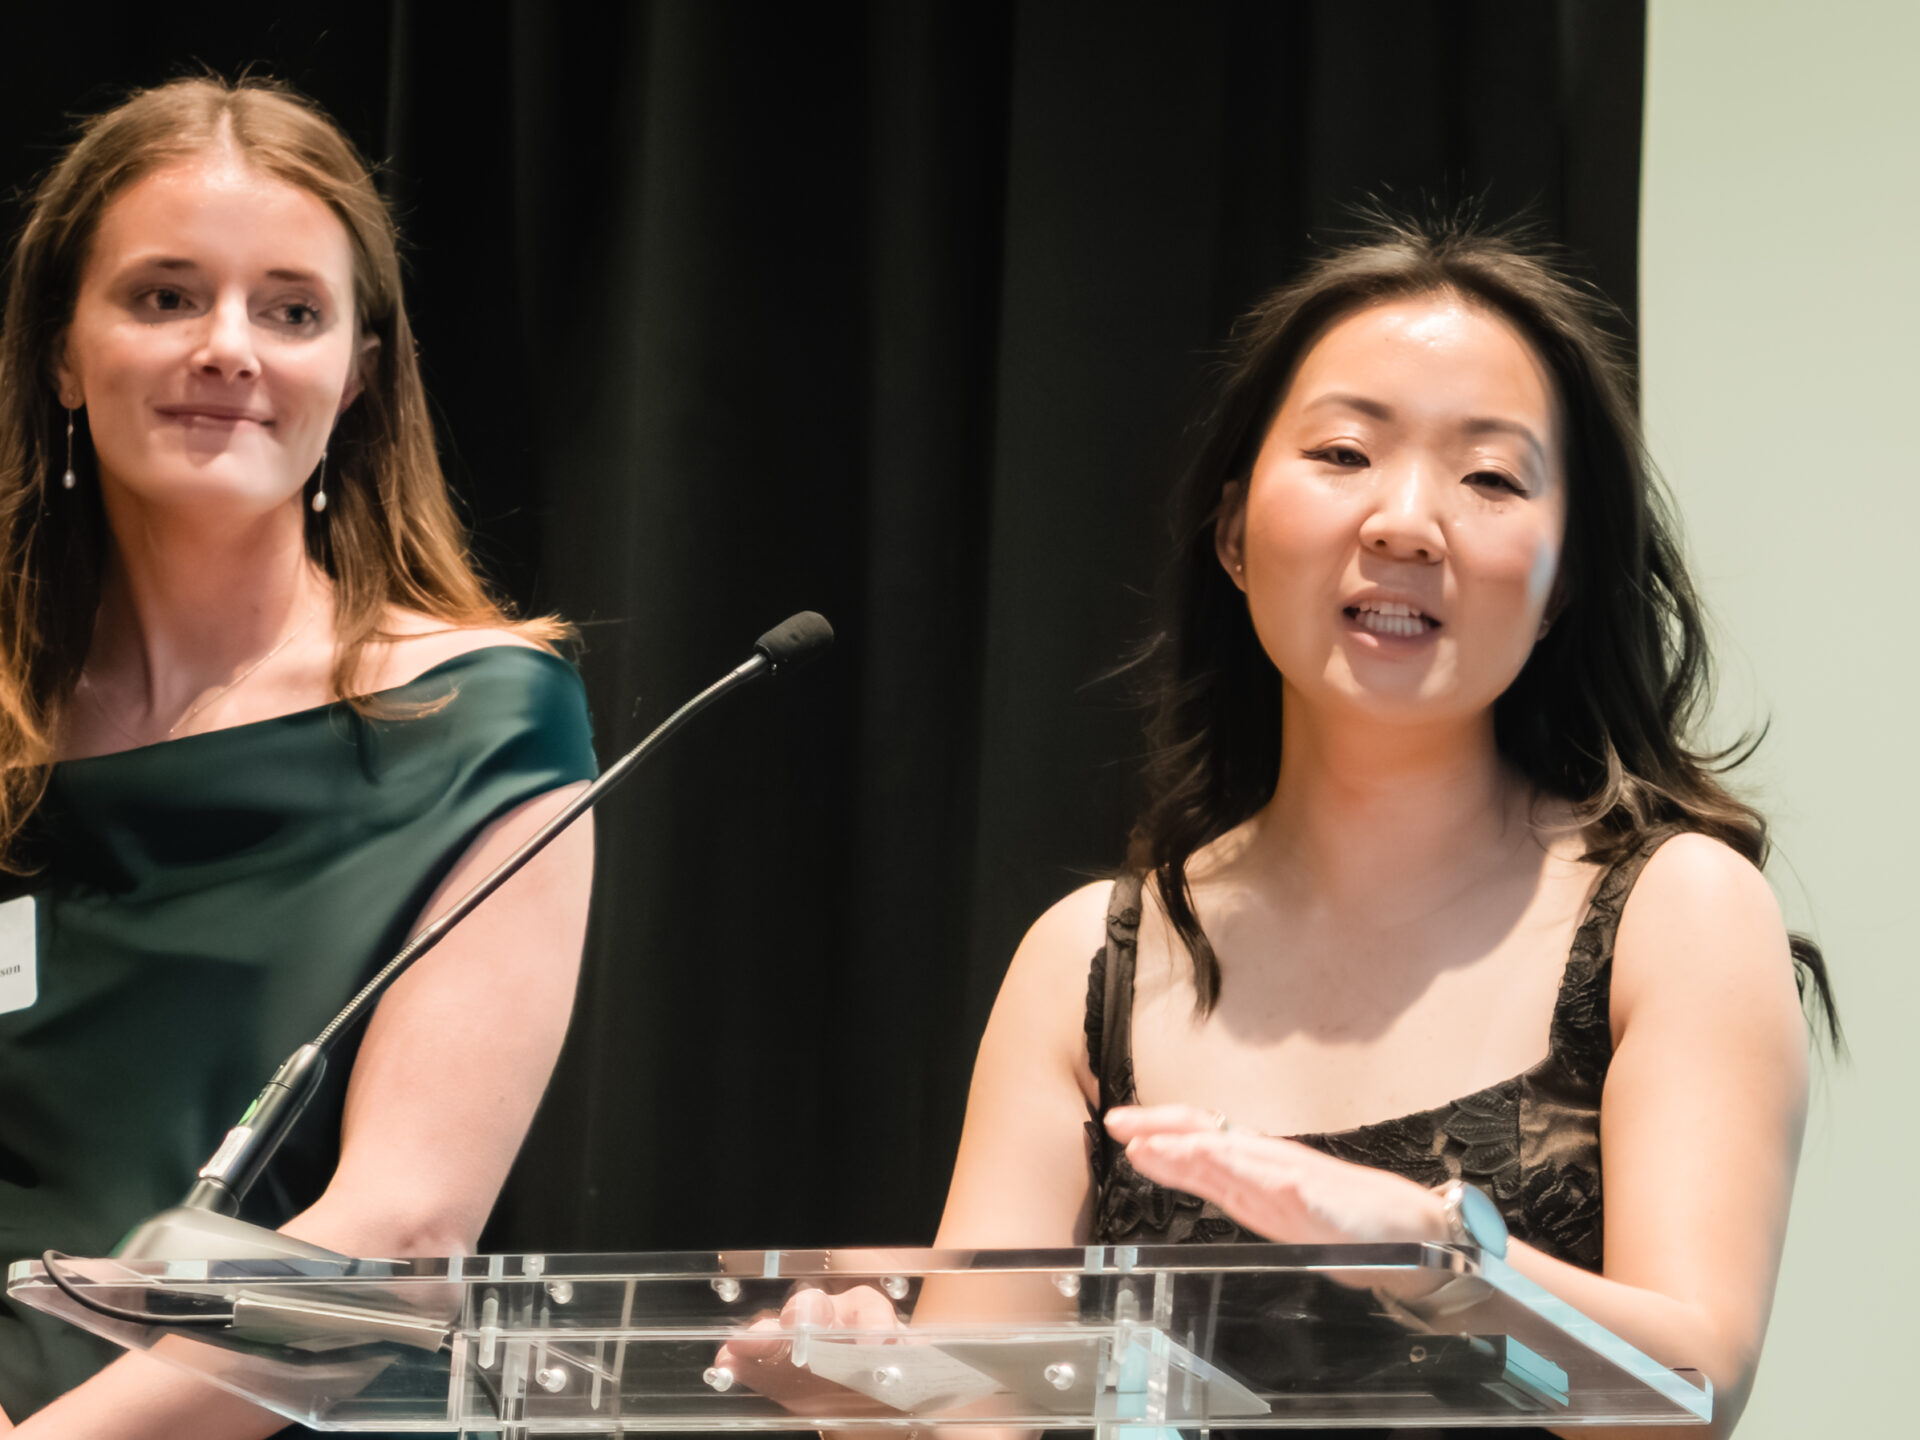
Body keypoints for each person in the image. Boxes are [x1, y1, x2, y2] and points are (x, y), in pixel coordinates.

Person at [723, 214, 1838, 1439]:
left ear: (1563, 579)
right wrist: (879, 1392)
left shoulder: (1672, 912)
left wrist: (1431, 1255)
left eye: (1490, 476)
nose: (1406, 522)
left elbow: (1688, 1394)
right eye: (1346, 452)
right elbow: (986, 1412)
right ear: (1234, 530)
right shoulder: (1089, 960)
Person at [0, 77, 597, 1436]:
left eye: (291, 309)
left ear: (360, 371)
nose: (230, 348)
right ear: (58, 351)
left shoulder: (489, 719)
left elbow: (399, 1238)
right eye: (164, 296)